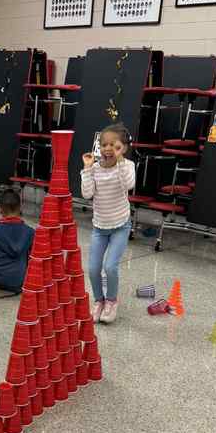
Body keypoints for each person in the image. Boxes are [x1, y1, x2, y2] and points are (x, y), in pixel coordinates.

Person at [81, 123, 135, 324]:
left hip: (120, 226)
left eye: (114, 145)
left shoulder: (127, 166)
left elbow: (128, 184)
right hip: (99, 228)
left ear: (123, 148)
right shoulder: (94, 169)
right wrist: (87, 169)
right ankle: (99, 301)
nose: (107, 149)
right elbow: (87, 194)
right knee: (94, 269)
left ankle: (111, 301)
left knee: (110, 266)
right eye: (104, 144)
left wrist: (120, 161)